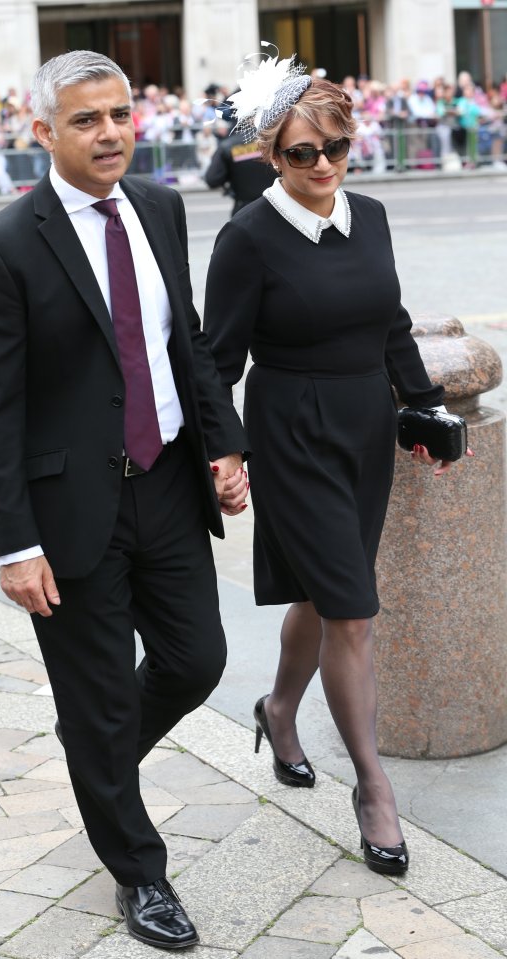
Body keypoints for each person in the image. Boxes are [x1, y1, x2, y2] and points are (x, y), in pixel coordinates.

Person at [0, 50, 248, 950]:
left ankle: (97, 747)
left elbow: (185, 343)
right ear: (42, 132)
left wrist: (225, 439)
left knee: (196, 660)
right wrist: (13, 542)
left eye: (120, 114)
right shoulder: (3, 245)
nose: (111, 132)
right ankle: (140, 873)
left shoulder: (160, 207)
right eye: (86, 120)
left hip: (164, 482)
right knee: (101, 703)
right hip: (67, 512)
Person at [203, 54, 472, 878]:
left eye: (336, 148)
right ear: (269, 156)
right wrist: (225, 448)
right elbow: (217, 361)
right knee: (353, 607)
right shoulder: (247, 237)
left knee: (329, 595)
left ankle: (279, 708)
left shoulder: (374, 215)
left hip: (363, 429)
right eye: (300, 153)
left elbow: (390, 320)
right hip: (292, 433)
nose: (322, 166)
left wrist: (424, 405)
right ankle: (373, 787)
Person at [204, 127, 278, 216]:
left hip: (244, 210)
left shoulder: (228, 145)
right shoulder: (273, 140)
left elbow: (212, 179)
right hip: (276, 206)